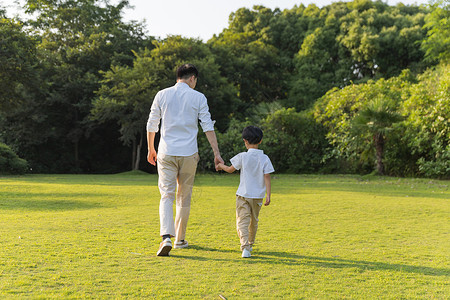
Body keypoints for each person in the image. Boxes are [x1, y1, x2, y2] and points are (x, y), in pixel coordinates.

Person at [147, 64, 223, 256]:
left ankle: (166, 237)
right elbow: (207, 126)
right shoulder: (198, 97)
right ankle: (179, 239)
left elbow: (152, 123)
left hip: (166, 151)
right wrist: (216, 153)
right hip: (189, 153)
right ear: (192, 79)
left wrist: (151, 149)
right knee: (184, 196)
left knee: (166, 195)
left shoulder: (162, 94)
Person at [216, 126, 274, 258]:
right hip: (258, 196)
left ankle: (245, 247)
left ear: (245, 141)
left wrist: (220, 166)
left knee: (242, 220)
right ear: (260, 141)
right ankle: (250, 244)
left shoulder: (242, 156)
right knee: (253, 221)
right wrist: (268, 195)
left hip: (243, 194)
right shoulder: (265, 158)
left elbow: (230, 169)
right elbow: (267, 177)